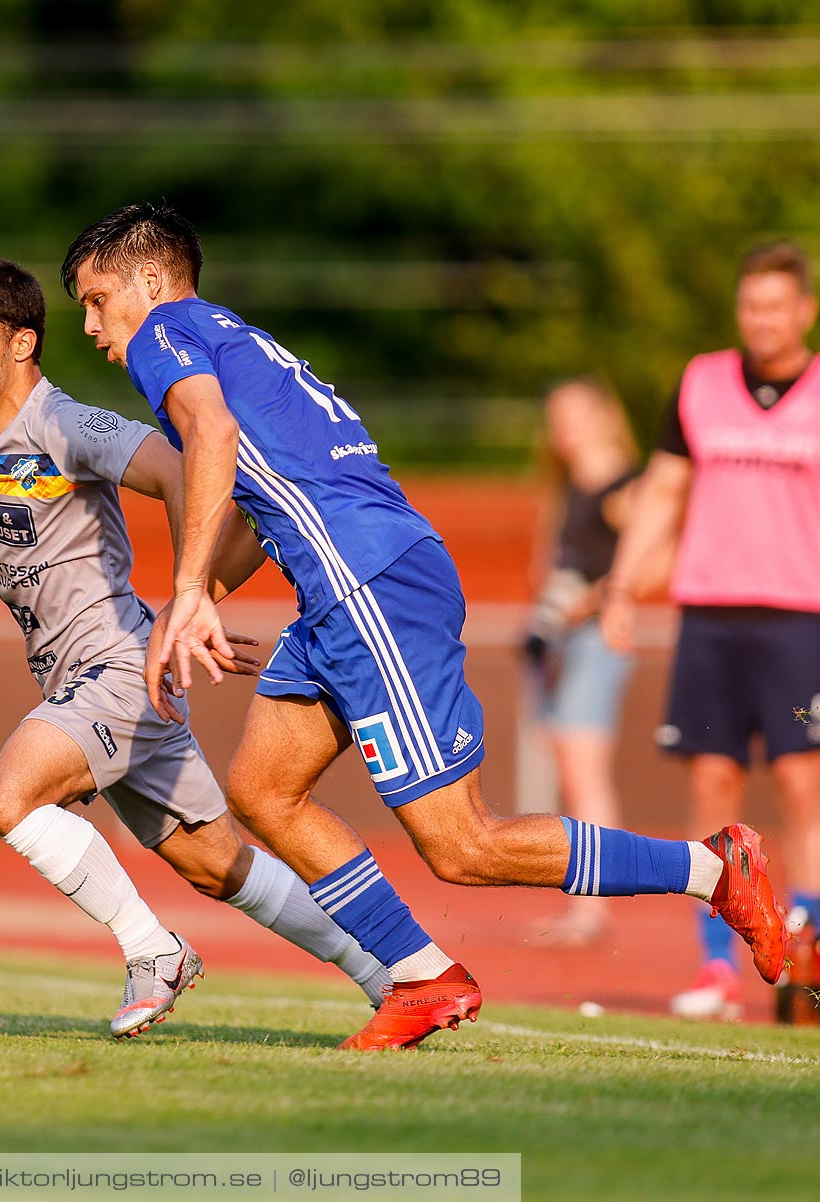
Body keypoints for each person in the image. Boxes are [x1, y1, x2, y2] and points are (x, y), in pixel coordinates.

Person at [60, 201, 788, 1049]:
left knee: (462, 845)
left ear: (150, 281)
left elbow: (210, 436)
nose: (89, 324)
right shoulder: (238, 340)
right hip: (346, 587)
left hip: (369, 585)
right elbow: (259, 506)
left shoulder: (166, 333)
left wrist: (186, 591)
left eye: (95, 298)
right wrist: (195, 598)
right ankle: (423, 976)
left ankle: (712, 868)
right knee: (263, 789)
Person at [0, 257, 390, 1039]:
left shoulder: (70, 426)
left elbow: (188, 469)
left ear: (22, 344)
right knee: (217, 864)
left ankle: (152, 952)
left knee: (6, 798)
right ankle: (387, 974)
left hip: (118, 664)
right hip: (77, 677)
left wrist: (192, 598)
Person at [602, 239, 820, 1021]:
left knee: (806, 783)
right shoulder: (701, 382)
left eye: (776, 305)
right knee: (713, 787)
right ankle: (719, 967)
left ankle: (809, 953)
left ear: (804, 311)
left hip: (802, 622)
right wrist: (625, 585)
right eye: (750, 304)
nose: (761, 319)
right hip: (711, 618)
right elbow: (662, 491)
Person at [522, 377, 644, 946]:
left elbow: (647, 561)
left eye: (572, 415)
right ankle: (590, 898)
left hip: (598, 639)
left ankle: (595, 904)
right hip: (565, 640)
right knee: (571, 765)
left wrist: (587, 604)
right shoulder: (568, 484)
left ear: (602, 415)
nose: (561, 428)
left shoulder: (625, 483)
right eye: (555, 417)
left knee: (584, 769)